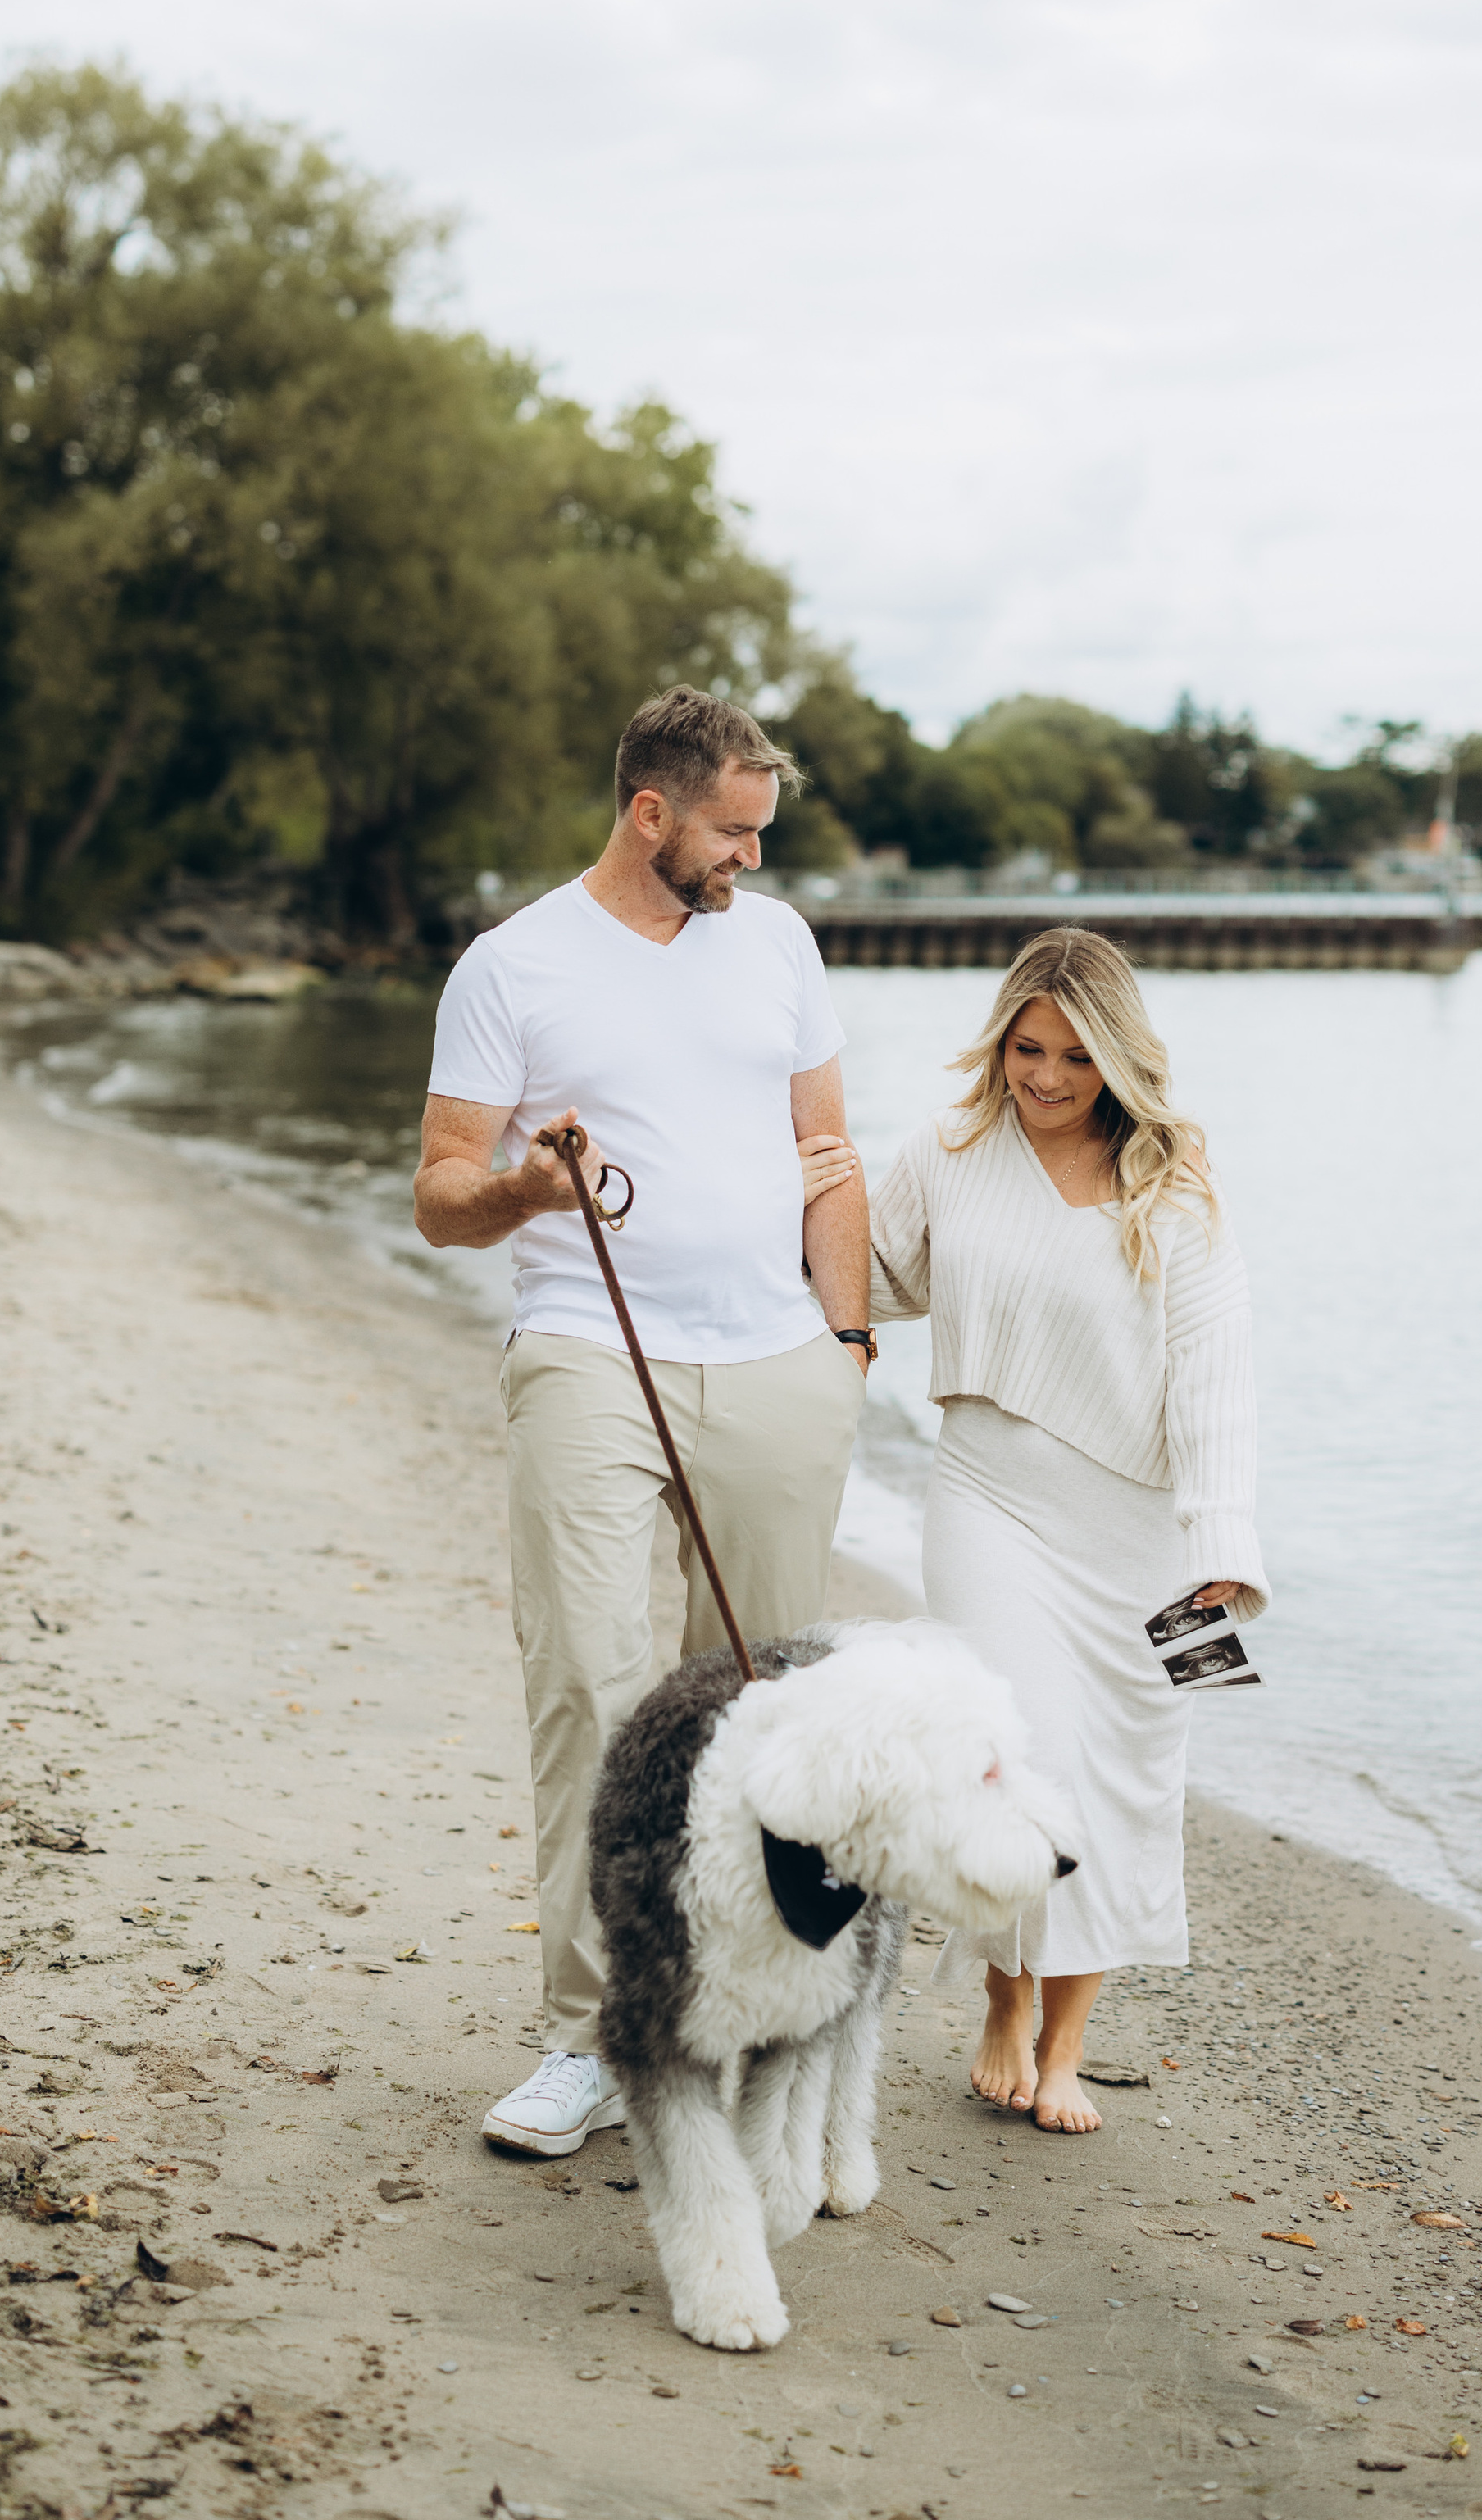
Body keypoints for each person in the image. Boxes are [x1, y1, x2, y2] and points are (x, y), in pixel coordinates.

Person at [414, 686, 872, 2159]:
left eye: (762, 833)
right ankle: (599, 2040)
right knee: (592, 1694)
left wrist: (847, 1341)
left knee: (763, 1705)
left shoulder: (780, 944)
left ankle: (755, 2015)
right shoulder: (513, 965)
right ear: (649, 811)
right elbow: (439, 1195)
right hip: (586, 1351)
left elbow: (828, 1153)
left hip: (778, 1362)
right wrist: (524, 1190)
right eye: (732, 832)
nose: (751, 859)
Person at [860, 926, 1267, 2132]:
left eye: (1077, 1059)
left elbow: (1214, 1374)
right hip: (987, 1495)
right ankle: (1003, 1995)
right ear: (1000, 1041)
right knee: (1015, 1755)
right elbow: (869, 1275)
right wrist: (813, 1198)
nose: (1046, 1078)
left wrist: (1221, 1545)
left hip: (1135, 1530)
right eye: (1028, 1049)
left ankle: (1065, 2046)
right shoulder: (949, 1150)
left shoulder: (1174, 1183)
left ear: (1120, 1060)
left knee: (1124, 1781)